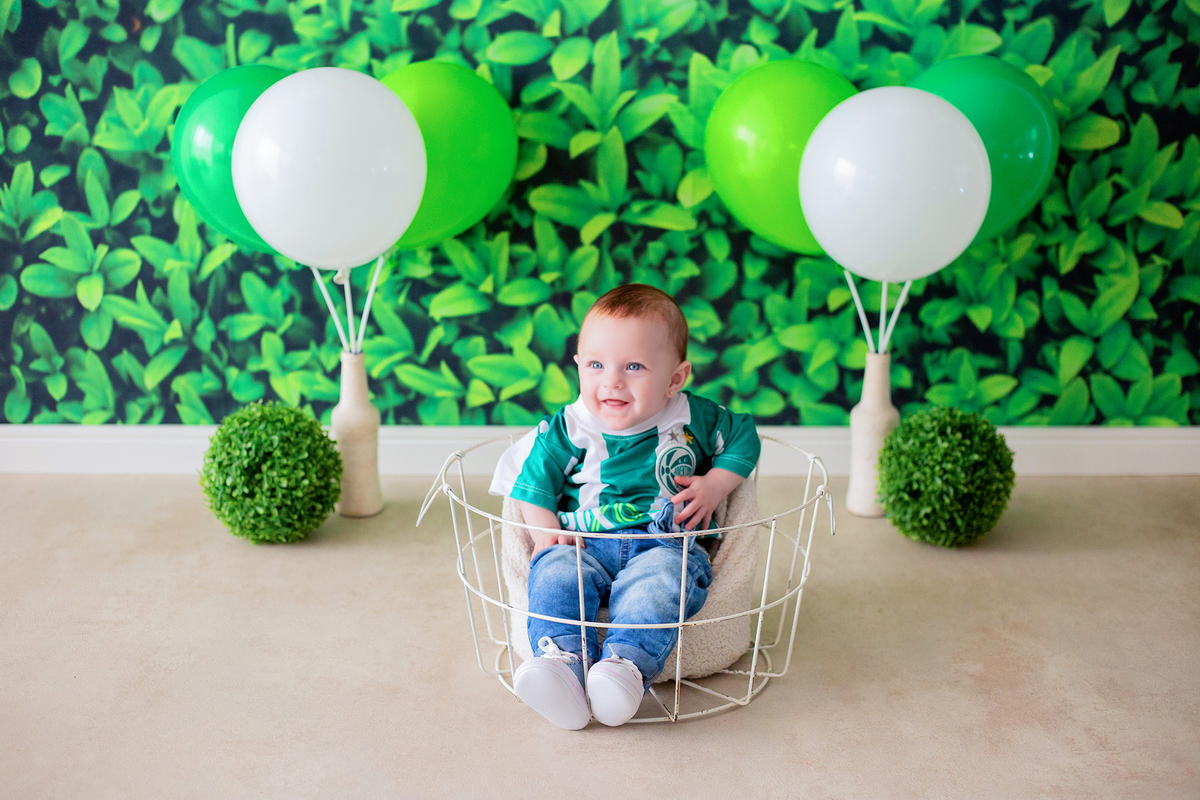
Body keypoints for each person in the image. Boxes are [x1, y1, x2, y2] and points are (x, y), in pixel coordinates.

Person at [489, 284, 761, 729]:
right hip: (583, 541)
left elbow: (745, 437)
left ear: (675, 377)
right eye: (596, 365)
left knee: (660, 585)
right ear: (578, 365)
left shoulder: (695, 416)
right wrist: (546, 536)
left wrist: (715, 485)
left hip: (664, 543)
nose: (611, 380)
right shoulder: (569, 426)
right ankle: (561, 664)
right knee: (555, 573)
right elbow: (531, 487)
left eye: (634, 366)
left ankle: (622, 668)